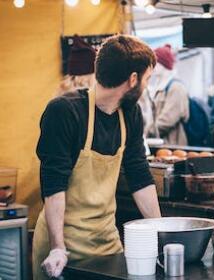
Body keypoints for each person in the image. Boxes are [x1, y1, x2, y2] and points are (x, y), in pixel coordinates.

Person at [33, 35, 162, 279]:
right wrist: (57, 247)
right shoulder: (64, 111)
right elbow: (53, 184)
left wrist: (161, 231)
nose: (146, 86)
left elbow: (139, 174)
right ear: (133, 79)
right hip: (63, 244)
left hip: (106, 242)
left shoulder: (131, 114)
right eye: (147, 79)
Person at [146, 44, 189, 145]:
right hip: (160, 143)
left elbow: (168, 120)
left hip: (173, 145)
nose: (152, 66)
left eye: (155, 62)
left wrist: (146, 132)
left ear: (163, 64)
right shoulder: (159, 86)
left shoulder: (176, 88)